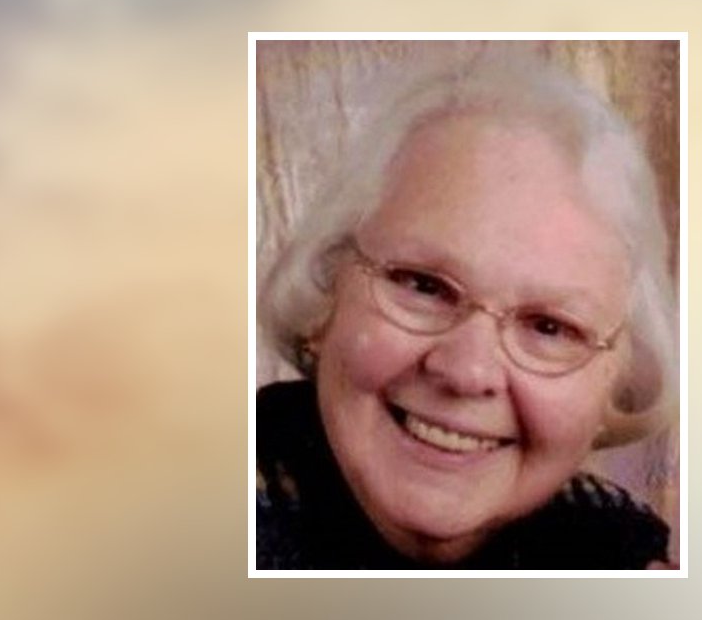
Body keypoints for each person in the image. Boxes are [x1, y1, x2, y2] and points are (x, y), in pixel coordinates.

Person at [256, 54, 678, 569]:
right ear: (325, 298)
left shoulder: (614, 548)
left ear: (612, 387)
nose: (467, 371)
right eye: (424, 286)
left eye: (549, 327)